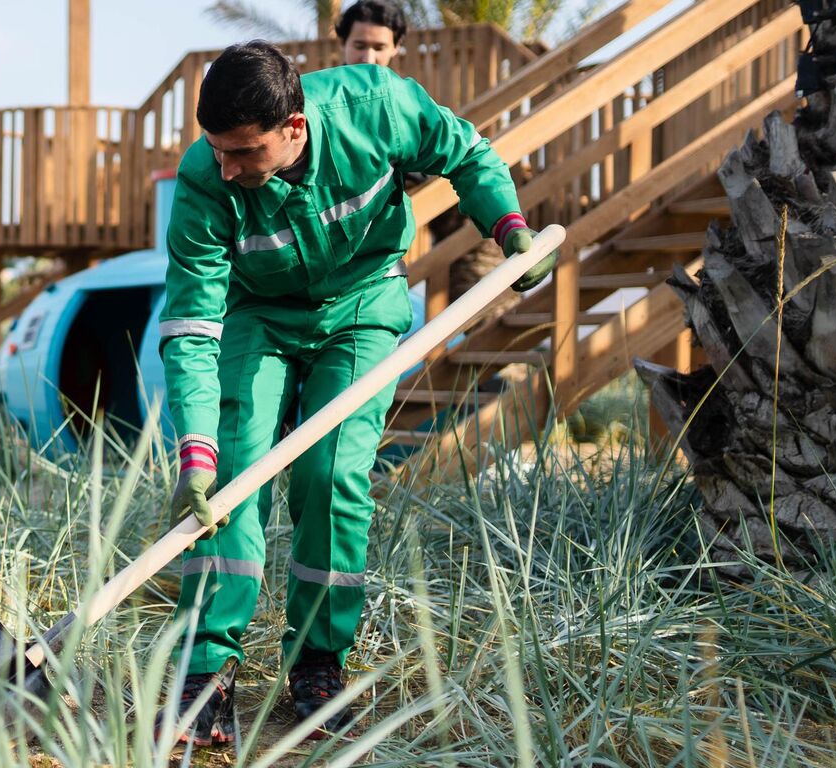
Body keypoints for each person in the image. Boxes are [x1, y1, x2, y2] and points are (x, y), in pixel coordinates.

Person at [160, 40, 552, 746]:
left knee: (333, 475)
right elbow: (191, 327)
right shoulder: (203, 181)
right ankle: (206, 672)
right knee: (232, 480)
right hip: (258, 318)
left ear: (295, 129)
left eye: (243, 153)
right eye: (217, 150)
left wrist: (508, 225)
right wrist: (196, 449)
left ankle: (317, 664)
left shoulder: (378, 106)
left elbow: (466, 153)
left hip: (362, 305)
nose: (227, 167)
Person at [335, 0, 406, 67]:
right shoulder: (326, 80)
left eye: (379, 48)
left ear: (396, 47)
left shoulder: (398, 80)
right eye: (360, 47)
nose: (369, 60)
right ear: (342, 42)